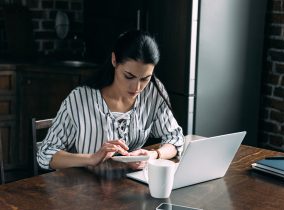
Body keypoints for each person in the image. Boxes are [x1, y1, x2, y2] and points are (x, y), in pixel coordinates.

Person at [37, 30, 184, 171]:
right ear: (114, 60)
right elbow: (45, 153)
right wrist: (91, 159)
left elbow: (175, 138)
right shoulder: (80, 99)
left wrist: (153, 155)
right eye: (129, 76)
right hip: (83, 190)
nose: (137, 87)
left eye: (145, 78)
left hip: (129, 189)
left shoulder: (152, 92)